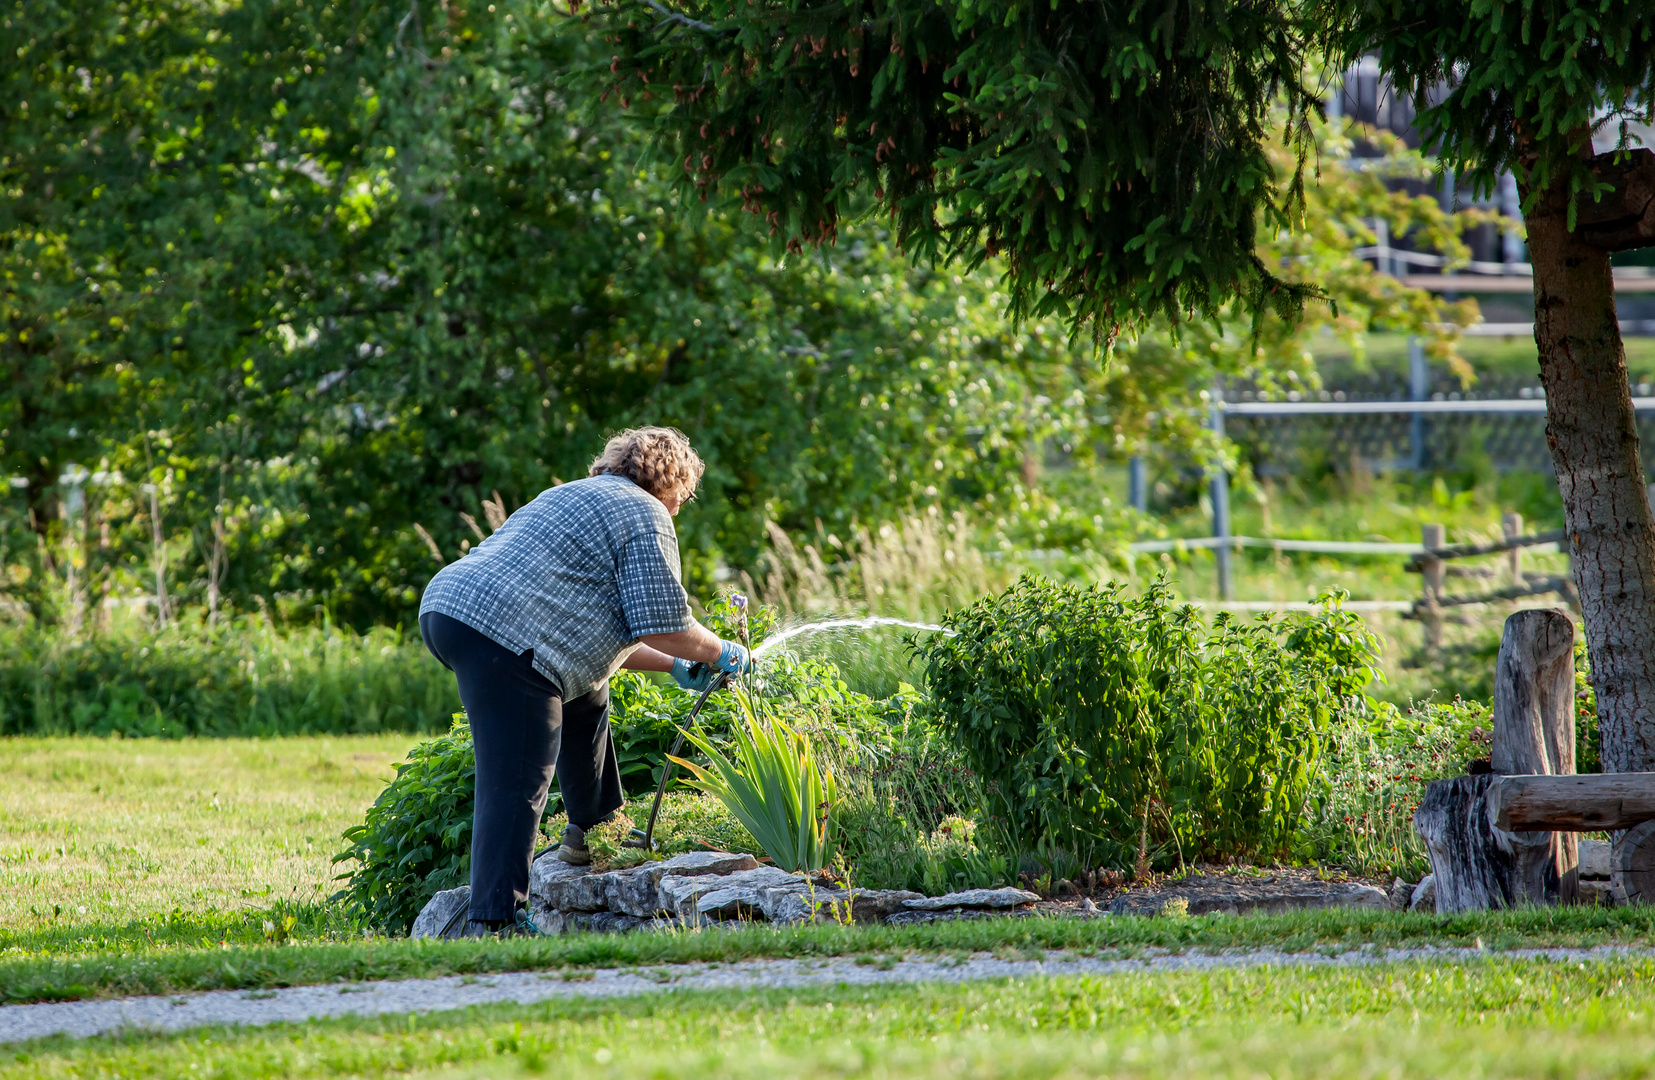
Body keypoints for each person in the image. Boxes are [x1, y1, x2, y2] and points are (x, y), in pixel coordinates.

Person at [417, 426, 751, 937]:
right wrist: (721, 650)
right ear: (672, 481)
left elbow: (603, 632)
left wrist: (673, 665)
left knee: (586, 687)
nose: (681, 507)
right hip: (504, 633)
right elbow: (664, 623)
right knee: (520, 775)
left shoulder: (577, 494)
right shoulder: (647, 512)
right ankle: (496, 921)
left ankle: (595, 829)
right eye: (683, 495)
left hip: (452, 608)